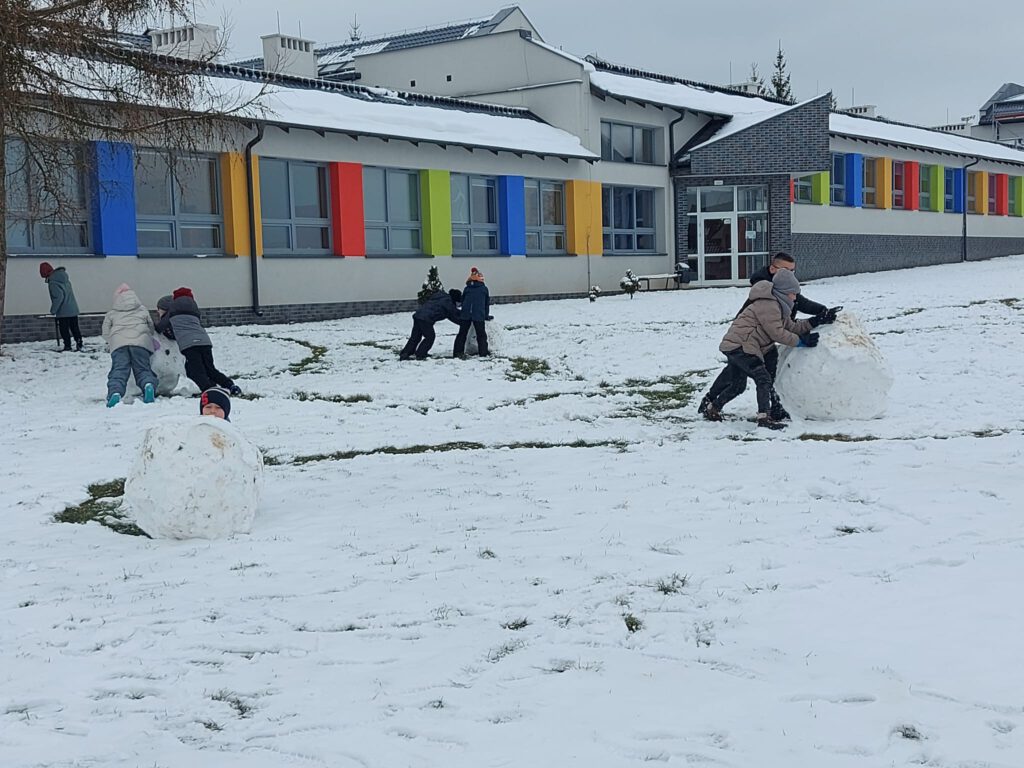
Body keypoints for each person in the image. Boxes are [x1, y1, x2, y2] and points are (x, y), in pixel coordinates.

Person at [698, 269, 833, 430]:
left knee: (738, 386)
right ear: (783, 292)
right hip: (740, 346)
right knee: (763, 378)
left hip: (747, 346)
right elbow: (777, 333)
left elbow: (791, 326)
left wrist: (815, 321)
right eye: (793, 293)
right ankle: (764, 418)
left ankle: (712, 408)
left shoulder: (780, 305)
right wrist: (800, 342)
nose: (795, 297)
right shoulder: (768, 305)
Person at [749, 252, 841, 420]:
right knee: (742, 376)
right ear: (772, 269)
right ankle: (713, 403)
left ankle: (774, 408)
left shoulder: (783, 285)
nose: (790, 275)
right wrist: (799, 341)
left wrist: (822, 312)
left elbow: (799, 303)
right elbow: (777, 330)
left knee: (762, 373)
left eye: (792, 271)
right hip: (749, 339)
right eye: (786, 270)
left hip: (764, 339)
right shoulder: (766, 290)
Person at [155, 287, 241, 396]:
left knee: (194, 372)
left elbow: (161, 327)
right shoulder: (194, 309)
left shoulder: (172, 309)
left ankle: (210, 390)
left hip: (189, 345)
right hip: (205, 341)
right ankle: (230, 385)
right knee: (210, 369)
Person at [101, 284, 159, 408]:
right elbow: (151, 327)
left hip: (119, 345)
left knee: (119, 370)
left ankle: (115, 393)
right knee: (143, 369)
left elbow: (105, 332)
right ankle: (148, 385)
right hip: (141, 343)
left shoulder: (111, 313)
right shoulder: (142, 309)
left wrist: (112, 341)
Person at [400, 288, 462, 360]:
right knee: (430, 337)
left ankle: (405, 353)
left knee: (415, 337)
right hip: (426, 319)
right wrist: (465, 323)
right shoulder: (448, 303)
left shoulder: (441, 297)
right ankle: (421, 354)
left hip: (418, 315)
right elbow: (454, 316)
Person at [39, 262, 83, 351]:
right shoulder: (65, 279)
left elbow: (58, 297)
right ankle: (79, 343)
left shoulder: (53, 282)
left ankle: (67, 346)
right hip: (73, 308)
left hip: (63, 311)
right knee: (75, 327)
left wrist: (53, 310)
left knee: (64, 329)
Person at [453, 267, 492, 358]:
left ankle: (457, 352)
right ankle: (483, 352)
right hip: (478, 315)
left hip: (465, 314)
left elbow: (462, 300)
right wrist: (485, 315)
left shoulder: (467, 288)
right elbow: (486, 304)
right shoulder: (484, 289)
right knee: (481, 334)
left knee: (462, 334)